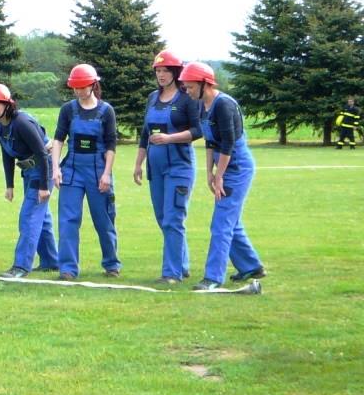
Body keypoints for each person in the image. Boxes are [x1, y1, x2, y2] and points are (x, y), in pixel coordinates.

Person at [178, 62, 266, 290]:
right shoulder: (201, 106)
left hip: (237, 168)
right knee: (230, 221)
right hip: (222, 165)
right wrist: (209, 172)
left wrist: (220, 177)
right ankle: (251, 266)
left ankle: (213, 278)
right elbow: (210, 142)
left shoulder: (224, 105)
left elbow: (228, 144)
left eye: (190, 87)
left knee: (221, 225)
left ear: (205, 84)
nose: (187, 91)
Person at [132, 51, 201, 285]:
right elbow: (145, 134)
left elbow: (198, 130)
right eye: (158, 71)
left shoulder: (186, 99)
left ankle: (171, 273)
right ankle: (182, 264)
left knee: (173, 219)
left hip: (179, 167)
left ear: (176, 73)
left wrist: (170, 138)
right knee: (163, 218)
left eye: (165, 71)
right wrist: (138, 163)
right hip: (156, 169)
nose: (161, 75)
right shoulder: (153, 98)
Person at [52, 63, 121, 280]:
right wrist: (56, 168)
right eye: (75, 87)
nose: (79, 91)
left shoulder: (106, 111)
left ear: (93, 85)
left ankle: (111, 264)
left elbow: (111, 145)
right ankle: (67, 269)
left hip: (98, 171)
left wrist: (107, 174)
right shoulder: (68, 110)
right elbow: (58, 140)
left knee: (104, 220)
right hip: (72, 171)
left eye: (82, 87)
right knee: (68, 220)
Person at [0, 83, 59, 278]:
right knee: (42, 217)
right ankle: (50, 261)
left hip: (42, 168)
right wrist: (10, 185)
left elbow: (42, 153)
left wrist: (44, 187)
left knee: (29, 216)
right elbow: (7, 154)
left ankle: (21, 266)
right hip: (28, 171)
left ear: (7, 105)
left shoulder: (22, 123)